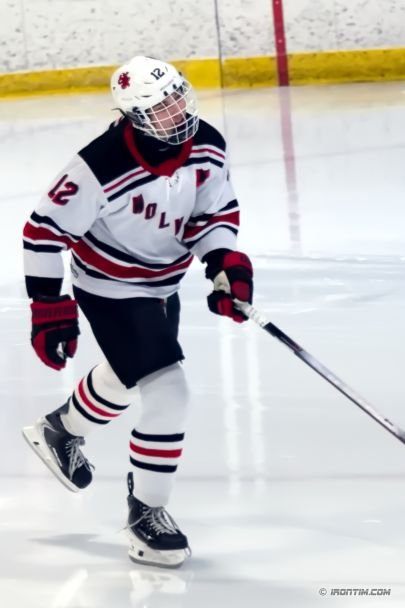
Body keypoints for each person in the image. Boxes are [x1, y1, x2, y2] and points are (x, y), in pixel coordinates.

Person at [22, 55, 253, 568]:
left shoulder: (208, 144)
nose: (177, 111)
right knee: (170, 392)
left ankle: (62, 429)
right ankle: (146, 514)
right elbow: (42, 232)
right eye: (161, 107)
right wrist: (48, 306)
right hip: (110, 288)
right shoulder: (98, 166)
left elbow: (212, 213)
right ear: (134, 117)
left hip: (161, 284)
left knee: (128, 377)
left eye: (178, 97)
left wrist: (223, 261)